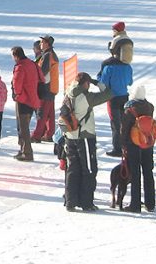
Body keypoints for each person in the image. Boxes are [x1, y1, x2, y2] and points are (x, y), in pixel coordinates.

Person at [62, 71, 113, 211]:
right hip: (84, 137)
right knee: (89, 169)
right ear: (86, 83)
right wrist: (98, 83)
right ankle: (86, 203)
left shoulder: (68, 93)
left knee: (72, 169)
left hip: (70, 136)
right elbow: (109, 94)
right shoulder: (86, 97)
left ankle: (70, 201)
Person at [120, 84, 156, 213]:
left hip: (133, 144)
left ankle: (135, 204)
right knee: (148, 172)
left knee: (135, 174)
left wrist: (123, 144)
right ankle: (150, 203)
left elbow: (124, 129)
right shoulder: (150, 107)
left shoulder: (129, 109)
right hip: (147, 143)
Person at [98, 46, 133, 156]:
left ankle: (117, 149)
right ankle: (126, 146)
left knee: (115, 124)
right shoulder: (128, 66)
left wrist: (99, 77)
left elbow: (103, 84)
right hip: (124, 97)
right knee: (125, 122)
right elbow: (130, 82)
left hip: (112, 98)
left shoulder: (108, 67)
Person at [10, 45, 43, 161]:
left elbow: (17, 83)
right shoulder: (32, 63)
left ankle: (27, 152)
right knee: (25, 126)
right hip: (33, 98)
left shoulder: (20, 67)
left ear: (16, 55)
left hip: (23, 100)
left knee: (23, 128)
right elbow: (42, 78)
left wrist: (16, 94)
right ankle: (23, 149)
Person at [32, 35, 60, 142]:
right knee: (49, 113)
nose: (40, 44)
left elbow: (42, 72)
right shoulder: (51, 54)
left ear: (47, 43)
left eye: (42, 42)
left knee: (42, 113)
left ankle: (36, 135)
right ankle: (49, 134)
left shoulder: (48, 55)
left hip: (46, 87)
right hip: (52, 87)